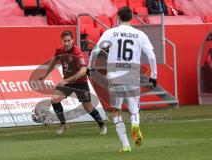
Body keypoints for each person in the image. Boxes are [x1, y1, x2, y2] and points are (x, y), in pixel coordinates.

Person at [87, 6, 157, 152]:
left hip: (114, 78)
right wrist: (154, 76)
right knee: (134, 111)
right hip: (132, 77)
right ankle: (135, 125)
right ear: (132, 17)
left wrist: (90, 68)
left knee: (116, 111)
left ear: (118, 18)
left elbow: (95, 51)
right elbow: (151, 56)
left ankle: (126, 145)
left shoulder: (111, 32)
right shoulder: (140, 34)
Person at [40, 30, 107, 135]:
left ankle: (101, 124)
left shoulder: (77, 51)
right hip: (68, 83)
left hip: (80, 83)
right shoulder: (60, 50)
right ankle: (63, 124)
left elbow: (83, 71)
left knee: (88, 108)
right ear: (62, 41)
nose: (67, 43)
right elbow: (54, 60)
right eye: (64, 41)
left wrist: (66, 80)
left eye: (69, 41)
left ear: (72, 40)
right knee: (54, 99)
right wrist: (46, 73)